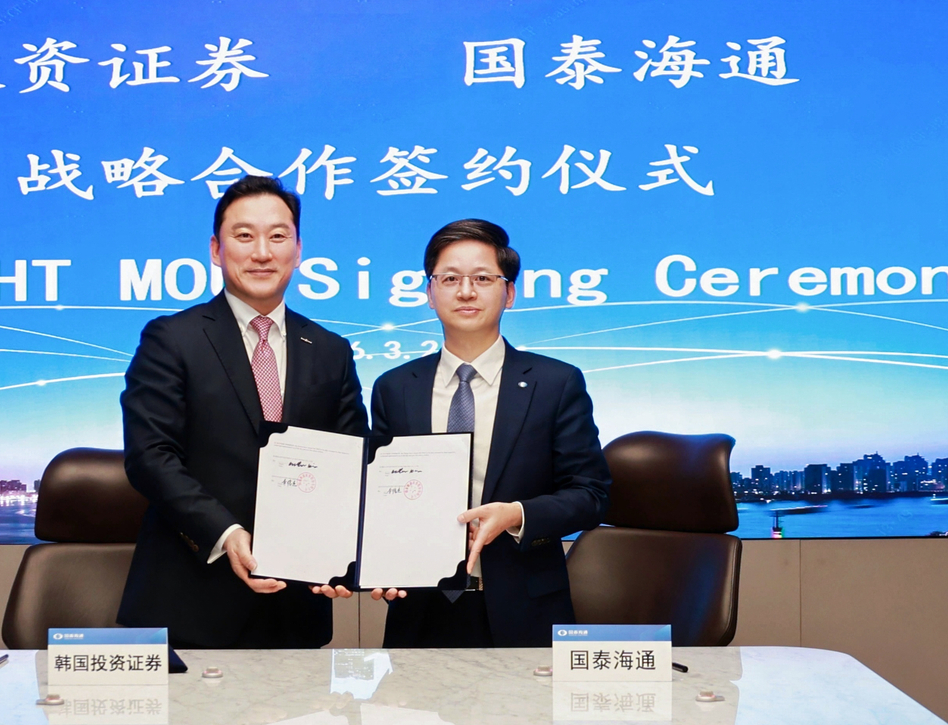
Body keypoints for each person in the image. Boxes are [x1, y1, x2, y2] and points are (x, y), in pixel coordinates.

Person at [116, 176, 368, 648]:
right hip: (191, 602)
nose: (262, 252)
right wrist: (226, 532)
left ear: (297, 250)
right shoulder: (172, 339)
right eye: (244, 235)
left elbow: (352, 461)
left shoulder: (331, 350)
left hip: (296, 607)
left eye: (277, 236)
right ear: (216, 249)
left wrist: (341, 552)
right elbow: (150, 456)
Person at [367, 218, 611, 647]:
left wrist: (517, 514)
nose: (465, 291)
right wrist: (380, 560)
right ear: (429, 292)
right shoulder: (395, 388)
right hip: (419, 611)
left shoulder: (555, 384)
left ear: (509, 293)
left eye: (482, 278)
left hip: (523, 608)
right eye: (450, 278)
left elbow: (591, 494)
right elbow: (378, 497)